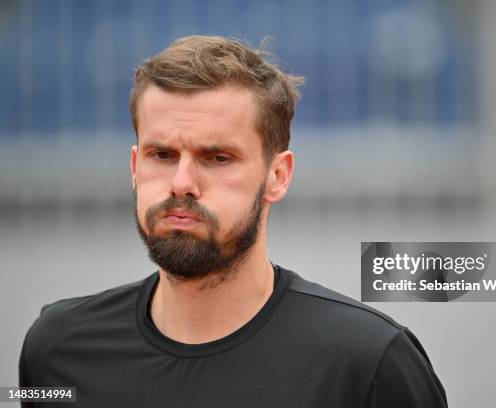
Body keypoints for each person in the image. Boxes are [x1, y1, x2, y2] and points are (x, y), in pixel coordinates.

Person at [19, 35, 447, 407]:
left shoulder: (369, 363)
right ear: (135, 167)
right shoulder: (57, 349)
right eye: (162, 155)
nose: (182, 183)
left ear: (277, 176)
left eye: (217, 158)